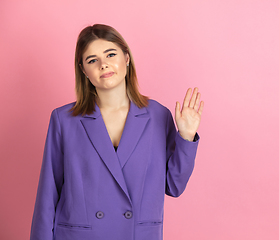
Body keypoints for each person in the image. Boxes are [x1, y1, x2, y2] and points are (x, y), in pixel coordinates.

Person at [30, 24, 204, 240]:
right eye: (92, 60)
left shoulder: (158, 116)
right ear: (83, 70)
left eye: (110, 54)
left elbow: (174, 186)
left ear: (127, 58)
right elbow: (48, 194)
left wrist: (186, 137)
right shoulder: (64, 119)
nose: (104, 65)